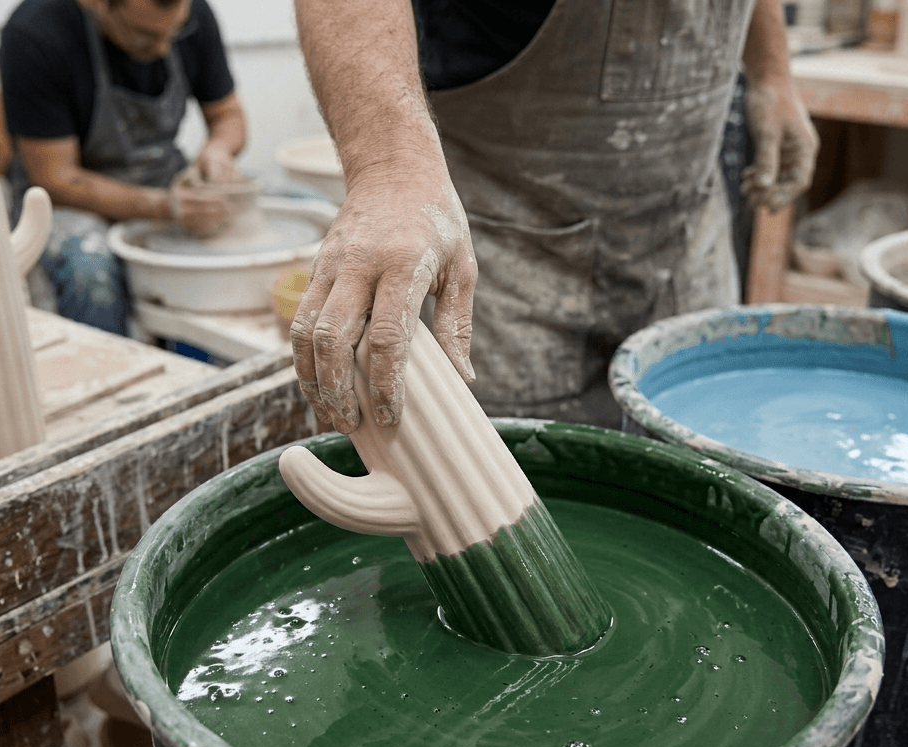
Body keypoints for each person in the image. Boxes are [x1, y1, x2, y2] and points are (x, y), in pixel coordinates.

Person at [290, 0, 817, 432]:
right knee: (484, 496)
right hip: (510, 262)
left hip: (687, 236)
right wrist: (389, 163)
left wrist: (771, 70)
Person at [0, 0, 246, 335]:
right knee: (90, 268)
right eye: (145, 36)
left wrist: (218, 150)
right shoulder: (35, 34)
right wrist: (162, 206)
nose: (163, 49)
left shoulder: (189, 12)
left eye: (174, 33)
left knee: (289, 207)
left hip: (164, 180)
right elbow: (56, 178)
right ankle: (112, 365)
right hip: (66, 201)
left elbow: (227, 115)